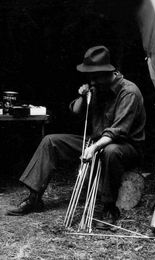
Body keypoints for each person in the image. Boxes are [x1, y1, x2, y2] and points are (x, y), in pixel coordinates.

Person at [6, 46, 146, 227]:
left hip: (124, 147)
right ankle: (34, 198)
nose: (91, 80)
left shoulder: (128, 92)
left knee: (110, 151)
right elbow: (75, 111)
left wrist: (95, 148)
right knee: (51, 141)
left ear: (106, 72)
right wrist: (83, 96)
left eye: (94, 76)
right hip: (95, 142)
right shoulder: (98, 87)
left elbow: (117, 131)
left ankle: (109, 208)